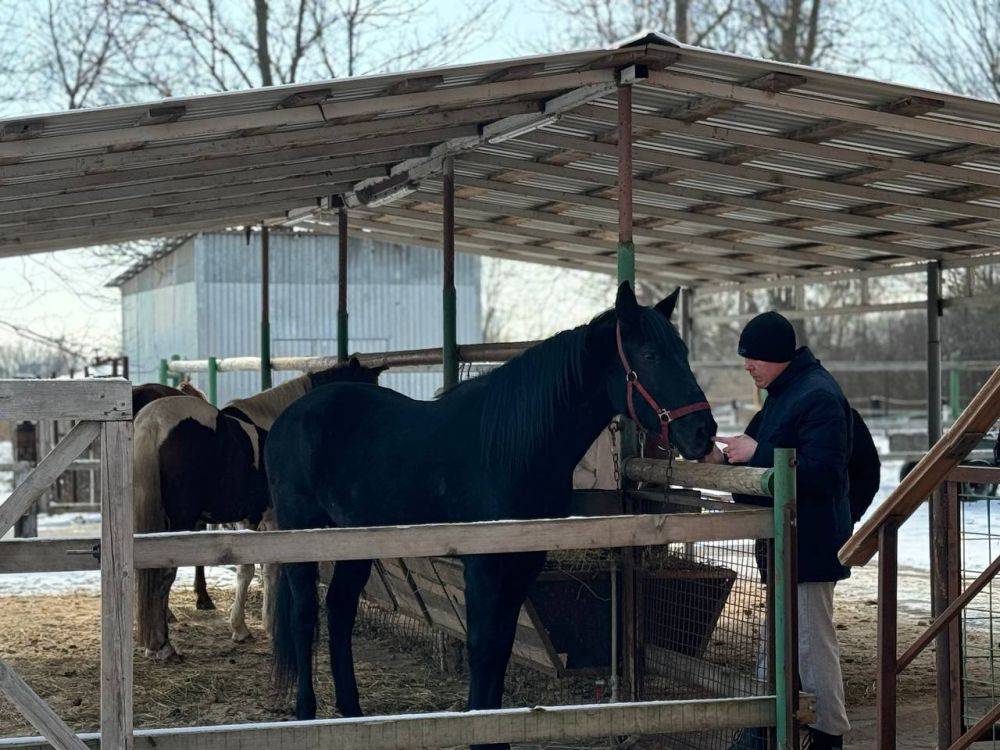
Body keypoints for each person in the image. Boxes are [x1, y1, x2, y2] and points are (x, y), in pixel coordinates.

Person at [704, 311, 852, 750]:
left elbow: (823, 473)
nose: (747, 366)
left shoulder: (818, 396)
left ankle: (828, 734)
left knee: (810, 642)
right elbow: (765, 461)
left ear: (776, 355)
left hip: (808, 541)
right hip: (786, 540)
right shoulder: (785, 393)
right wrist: (730, 461)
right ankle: (763, 725)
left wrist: (757, 451)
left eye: (753, 358)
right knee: (780, 638)